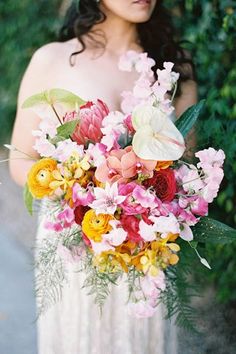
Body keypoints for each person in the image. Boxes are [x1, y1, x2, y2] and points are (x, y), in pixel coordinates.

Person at [10, 1, 197, 353]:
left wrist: (143, 201)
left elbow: (187, 168)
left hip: (146, 249)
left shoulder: (174, 68)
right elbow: (21, 161)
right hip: (76, 249)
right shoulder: (52, 60)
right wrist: (76, 186)